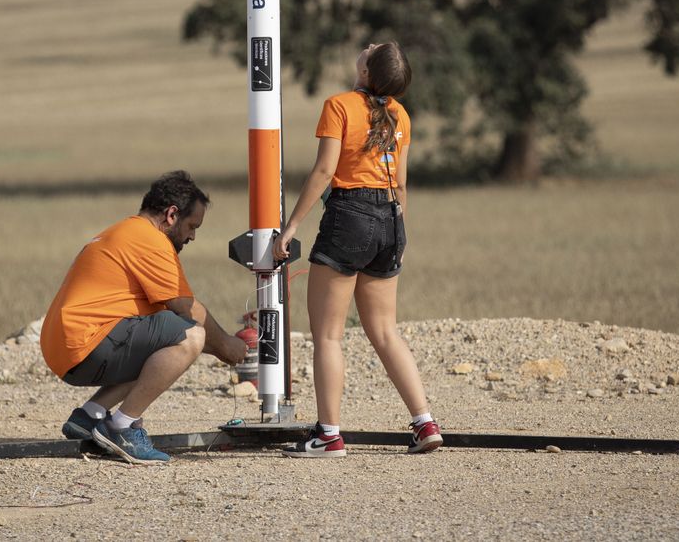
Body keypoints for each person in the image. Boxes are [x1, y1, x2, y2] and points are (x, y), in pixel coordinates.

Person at [272, 41, 443, 457]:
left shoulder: (339, 106)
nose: (367, 46)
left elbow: (324, 171)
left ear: (367, 72)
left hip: (349, 215)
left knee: (328, 335)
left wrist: (290, 226)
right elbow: (401, 184)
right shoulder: (401, 115)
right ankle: (425, 423)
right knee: (385, 331)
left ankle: (328, 435)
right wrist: (397, 233)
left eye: (373, 49)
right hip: (391, 220)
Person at [40, 170, 248, 464]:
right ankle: (122, 426)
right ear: (172, 215)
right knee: (190, 336)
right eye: (192, 226)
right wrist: (226, 345)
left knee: (164, 335)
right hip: (85, 345)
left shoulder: (126, 231)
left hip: (66, 349)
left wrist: (220, 347)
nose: (192, 236)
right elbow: (186, 307)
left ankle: (90, 415)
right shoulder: (149, 239)